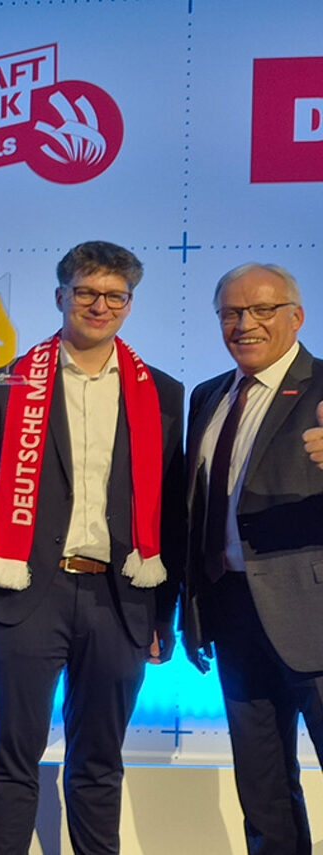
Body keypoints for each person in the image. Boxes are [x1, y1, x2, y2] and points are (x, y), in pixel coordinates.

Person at [0, 240, 185, 855]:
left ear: (129, 304)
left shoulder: (164, 393)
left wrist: (163, 614)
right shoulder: (8, 380)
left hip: (121, 599)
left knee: (100, 764)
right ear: (60, 296)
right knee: (11, 760)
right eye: (86, 292)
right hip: (26, 598)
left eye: (114, 296)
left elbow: (172, 513)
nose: (100, 305)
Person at [185, 263, 323, 855]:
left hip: (314, 616)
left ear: (296, 316)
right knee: (263, 792)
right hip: (233, 614)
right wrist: (189, 612)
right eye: (231, 312)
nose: (246, 324)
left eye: (263, 310)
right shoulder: (208, 395)